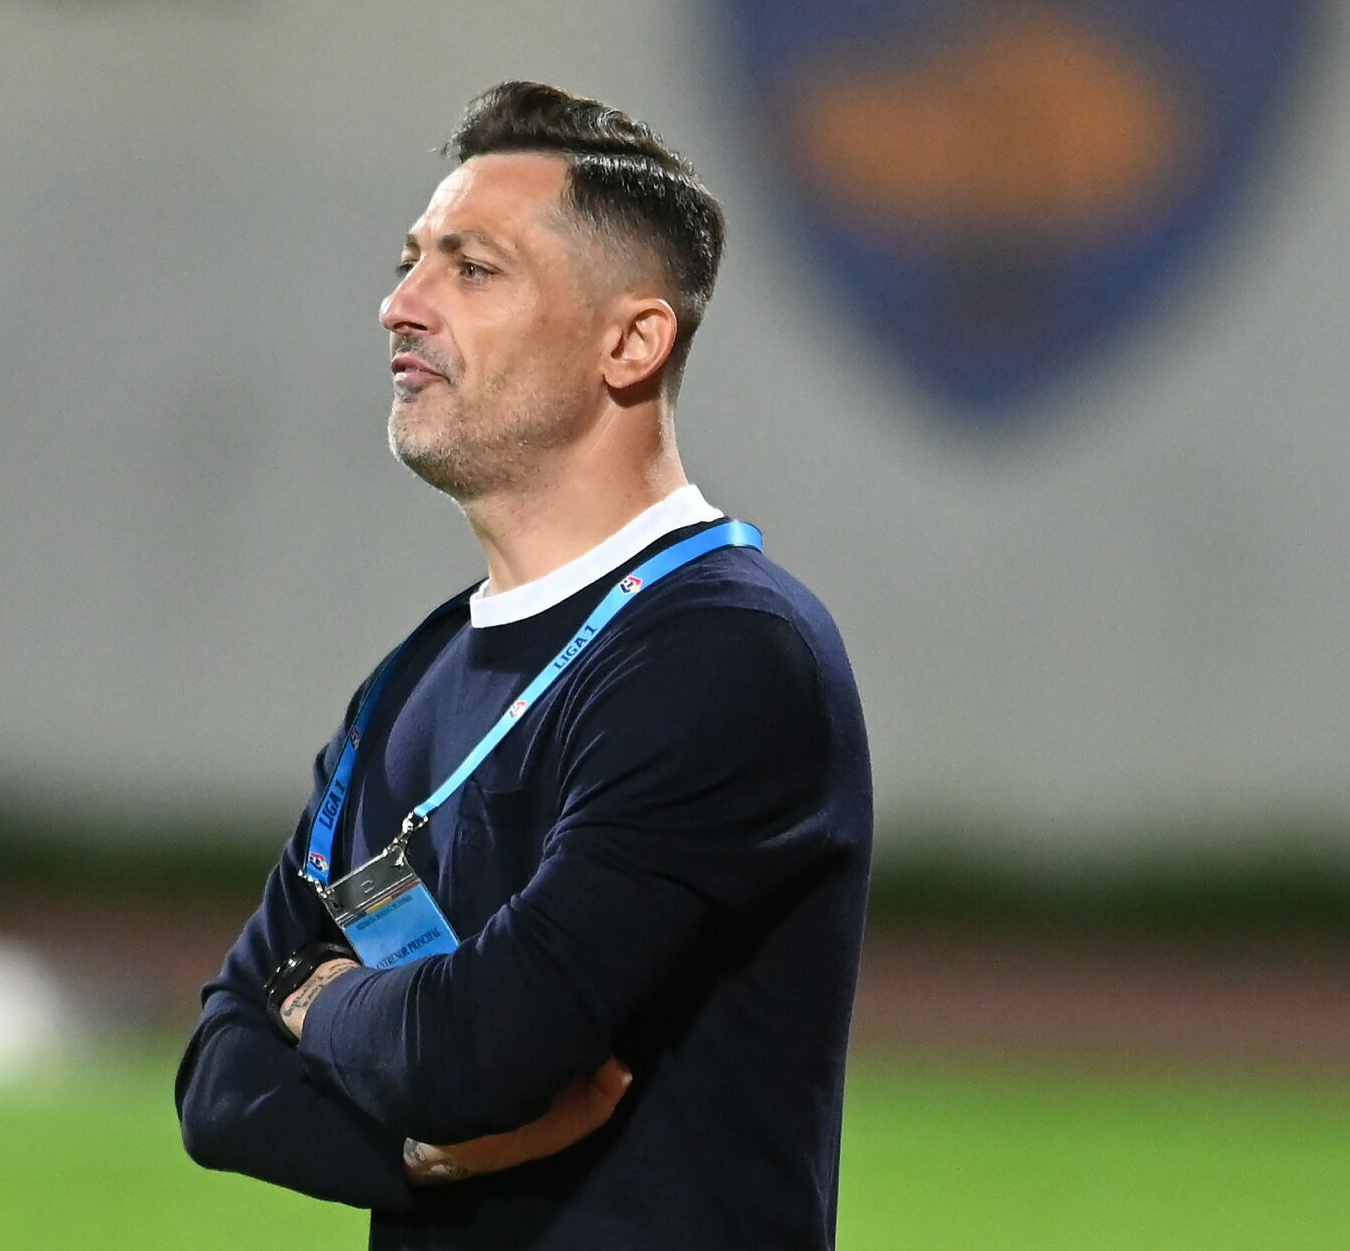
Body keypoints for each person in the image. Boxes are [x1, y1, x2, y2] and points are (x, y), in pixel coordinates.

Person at [174, 82, 873, 1249]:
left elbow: (478, 1055)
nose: (400, 305)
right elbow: (216, 1078)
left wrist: (322, 996)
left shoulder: (726, 654)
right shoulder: (412, 677)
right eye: (410, 262)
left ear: (630, 341)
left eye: (473, 269)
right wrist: (416, 1151)